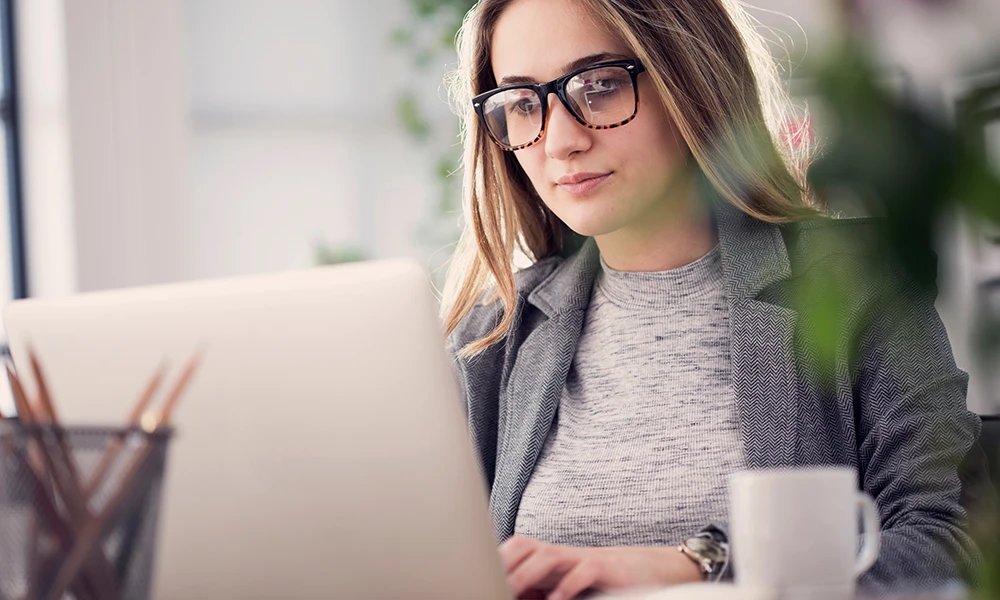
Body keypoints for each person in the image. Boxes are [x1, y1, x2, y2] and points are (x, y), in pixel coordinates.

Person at [440, 0, 982, 598]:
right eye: (522, 103)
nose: (561, 140)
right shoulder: (493, 333)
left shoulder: (854, 285)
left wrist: (699, 562)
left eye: (600, 86)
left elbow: (944, 541)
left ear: (690, 81)